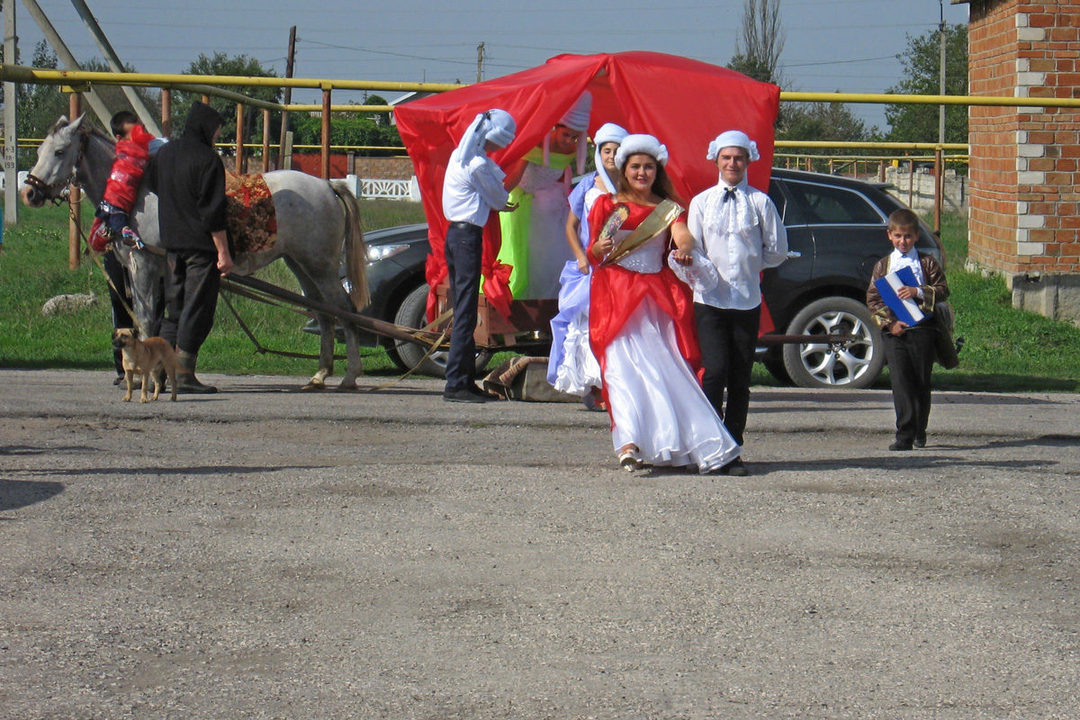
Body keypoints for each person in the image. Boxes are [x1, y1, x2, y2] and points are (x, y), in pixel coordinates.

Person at [587, 133, 741, 473]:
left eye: (648, 167)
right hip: (614, 297)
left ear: (658, 171)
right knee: (620, 371)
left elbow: (682, 233)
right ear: (625, 170)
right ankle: (627, 442)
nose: (642, 173)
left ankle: (678, 441)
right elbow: (594, 251)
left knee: (662, 372)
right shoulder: (605, 205)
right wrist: (601, 247)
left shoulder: (668, 208)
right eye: (636, 167)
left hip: (654, 300)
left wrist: (684, 247)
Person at [688, 130, 788, 477]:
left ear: (748, 161)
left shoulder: (760, 203)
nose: (733, 163)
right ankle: (710, 447)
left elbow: (776, 250)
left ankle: (733, 450)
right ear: (716, 160)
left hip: (745, 301)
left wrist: (749, 266)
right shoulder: (701, 203)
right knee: (714, 372)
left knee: (740, 378)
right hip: (710, 300)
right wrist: (700, 271)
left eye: (739, 158)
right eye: (727, 157)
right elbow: (695, 249)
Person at [144, 102, 233, 394]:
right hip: (199, 249)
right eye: (216, 131)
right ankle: (182, 374)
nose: (217, 137)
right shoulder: (208, 160)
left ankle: (158, 368)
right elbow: (213, 212)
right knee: (198, 309)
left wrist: (177, 202)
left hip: (171, 245)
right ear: (206, 128)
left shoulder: (164, 153)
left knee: (173, 308)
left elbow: (154, 184)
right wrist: (223, 253)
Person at [547, 122, 627, 407]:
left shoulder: (632, 185)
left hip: (621, 267)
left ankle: (613, 386)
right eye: (607, 150)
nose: (611, 156)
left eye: (617, 151)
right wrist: (581, 256)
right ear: (598, 152)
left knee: (618, 327)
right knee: (586, 323)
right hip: (589, 269)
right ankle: (591, 385)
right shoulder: (586, 185)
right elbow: (571, 226)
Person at [441, 108, 518, 403]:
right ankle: (456, 384)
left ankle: (463, 378)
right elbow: (499, 197)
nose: (502, 148)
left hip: (457, 236)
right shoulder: (475, 164)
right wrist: (504, 202)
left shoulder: (461, 157)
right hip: (467, 238)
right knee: (465, 311)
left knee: (465, 308)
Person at [866, 208, 950, 451]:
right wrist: (890, 324)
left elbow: (943, 289)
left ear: (916, 238)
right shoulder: (883, 266)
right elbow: (873, 300)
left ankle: (919, 430)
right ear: (889, 236)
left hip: (922, 329)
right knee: (901, 382)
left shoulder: (926, 263)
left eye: (908, 237)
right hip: (895, 330)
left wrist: (918, 291)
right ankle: (904, 434)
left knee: (920, 381)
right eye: (898, 237)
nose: (903, 242)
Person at [498, 92, 591, 299]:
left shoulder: (572, 150)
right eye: (566, 134)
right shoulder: (537, 144)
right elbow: (516, 176)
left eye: (574, 137)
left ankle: (550, 299)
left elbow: (563, 176)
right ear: (557, 128)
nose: (569, 140)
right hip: (522, 201)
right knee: (520, 251)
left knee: (552, 253)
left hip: (550, 202)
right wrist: (497, 197)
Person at [91, 111, 155, 249]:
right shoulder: (126, 151)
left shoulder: (141, 148)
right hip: (115, 196)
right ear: (120, 138)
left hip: (120, 197)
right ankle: (124, 233)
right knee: (113, 219)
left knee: (113, 218)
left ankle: (120, 231)